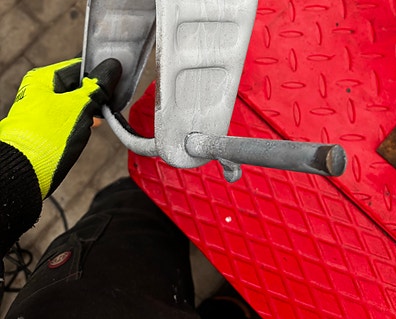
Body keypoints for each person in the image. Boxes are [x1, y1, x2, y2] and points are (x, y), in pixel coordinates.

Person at [0, 59, 257, 319]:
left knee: (139, 208)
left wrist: (12, 173)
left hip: (78, 295)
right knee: (139, 216)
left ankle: (225, 306)